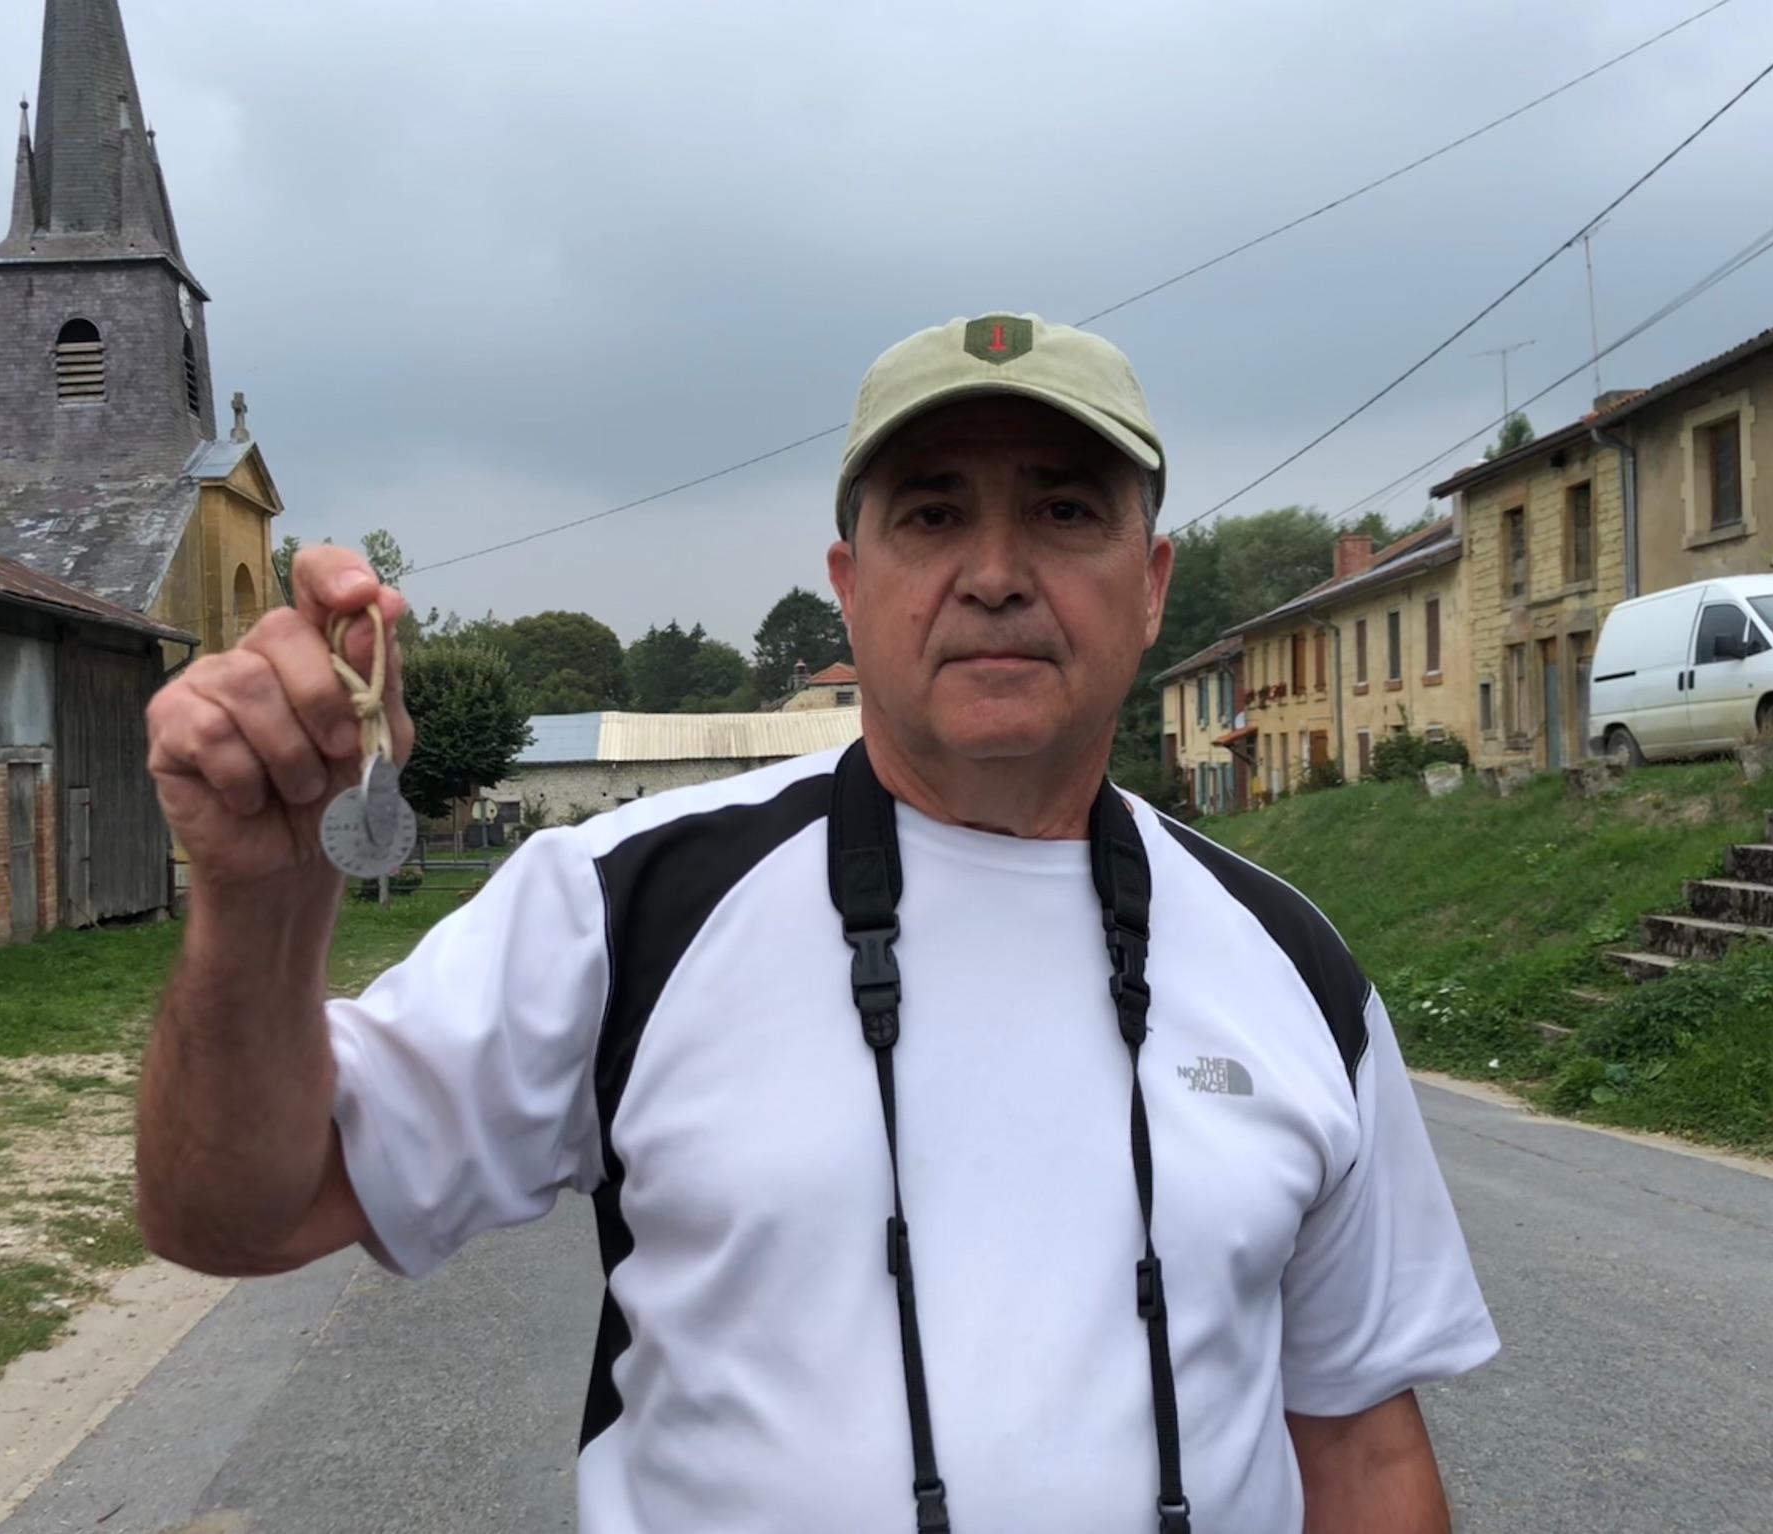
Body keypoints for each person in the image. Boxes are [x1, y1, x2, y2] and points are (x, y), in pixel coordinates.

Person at [138, 313, 1498, 1533]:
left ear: (1153, 582)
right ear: (849, 580)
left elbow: (1364, 1452)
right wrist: (261, 897)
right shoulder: (628, 906)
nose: (996, 572)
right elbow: (233, 1211)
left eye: (1068, 510)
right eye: (931, 515)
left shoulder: (1294, 966)